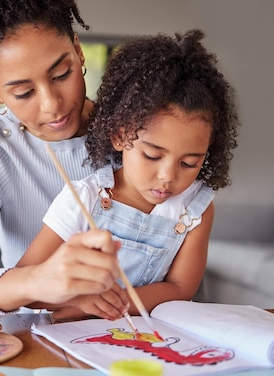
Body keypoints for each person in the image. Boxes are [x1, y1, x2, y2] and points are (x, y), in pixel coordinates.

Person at [0, 0, 129, 323]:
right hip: (44, 340)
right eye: (23, 93)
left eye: (62, 74)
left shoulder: (132, 132)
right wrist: (39, 280)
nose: (52, 105)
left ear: (78, 50)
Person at [18, 29, 239, 318]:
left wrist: (107, 305)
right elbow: (26, 284)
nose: (167, 176)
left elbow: (180, 288)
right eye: (152, 155)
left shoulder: (195, 208)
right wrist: (79, 303)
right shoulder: (85, 197)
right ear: (120, 136)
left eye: (189, 163)